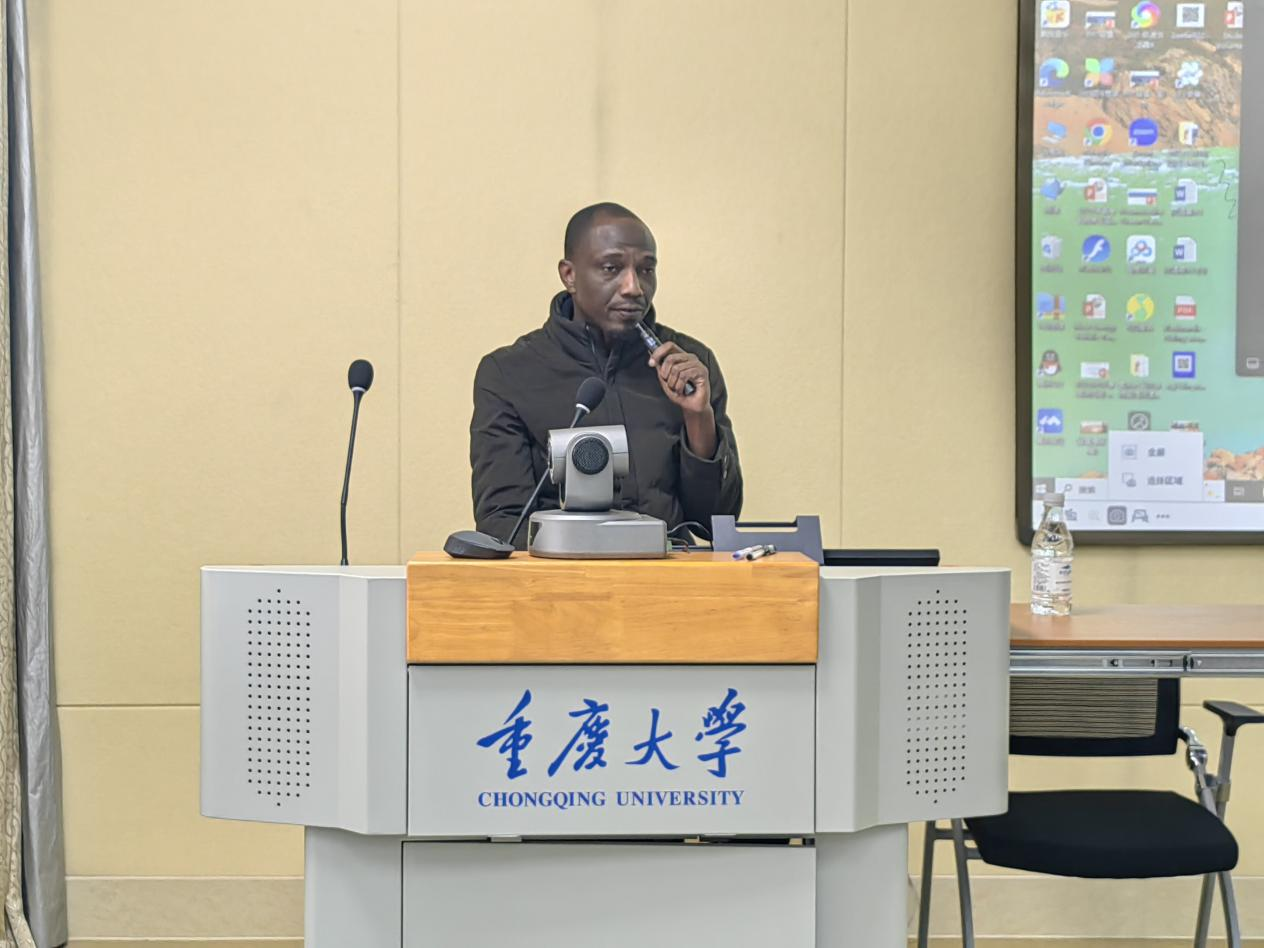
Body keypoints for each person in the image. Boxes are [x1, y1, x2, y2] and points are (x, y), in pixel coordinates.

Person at [469, 202, 742, 547]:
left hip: (669, 571)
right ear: (569, 275)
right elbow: (501, 524)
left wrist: (698, 419)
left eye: (646, 270)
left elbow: (716, 523)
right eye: (612, 268)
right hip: (561, 574)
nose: (634, 287)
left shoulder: (690, 366)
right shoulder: (509, 373)